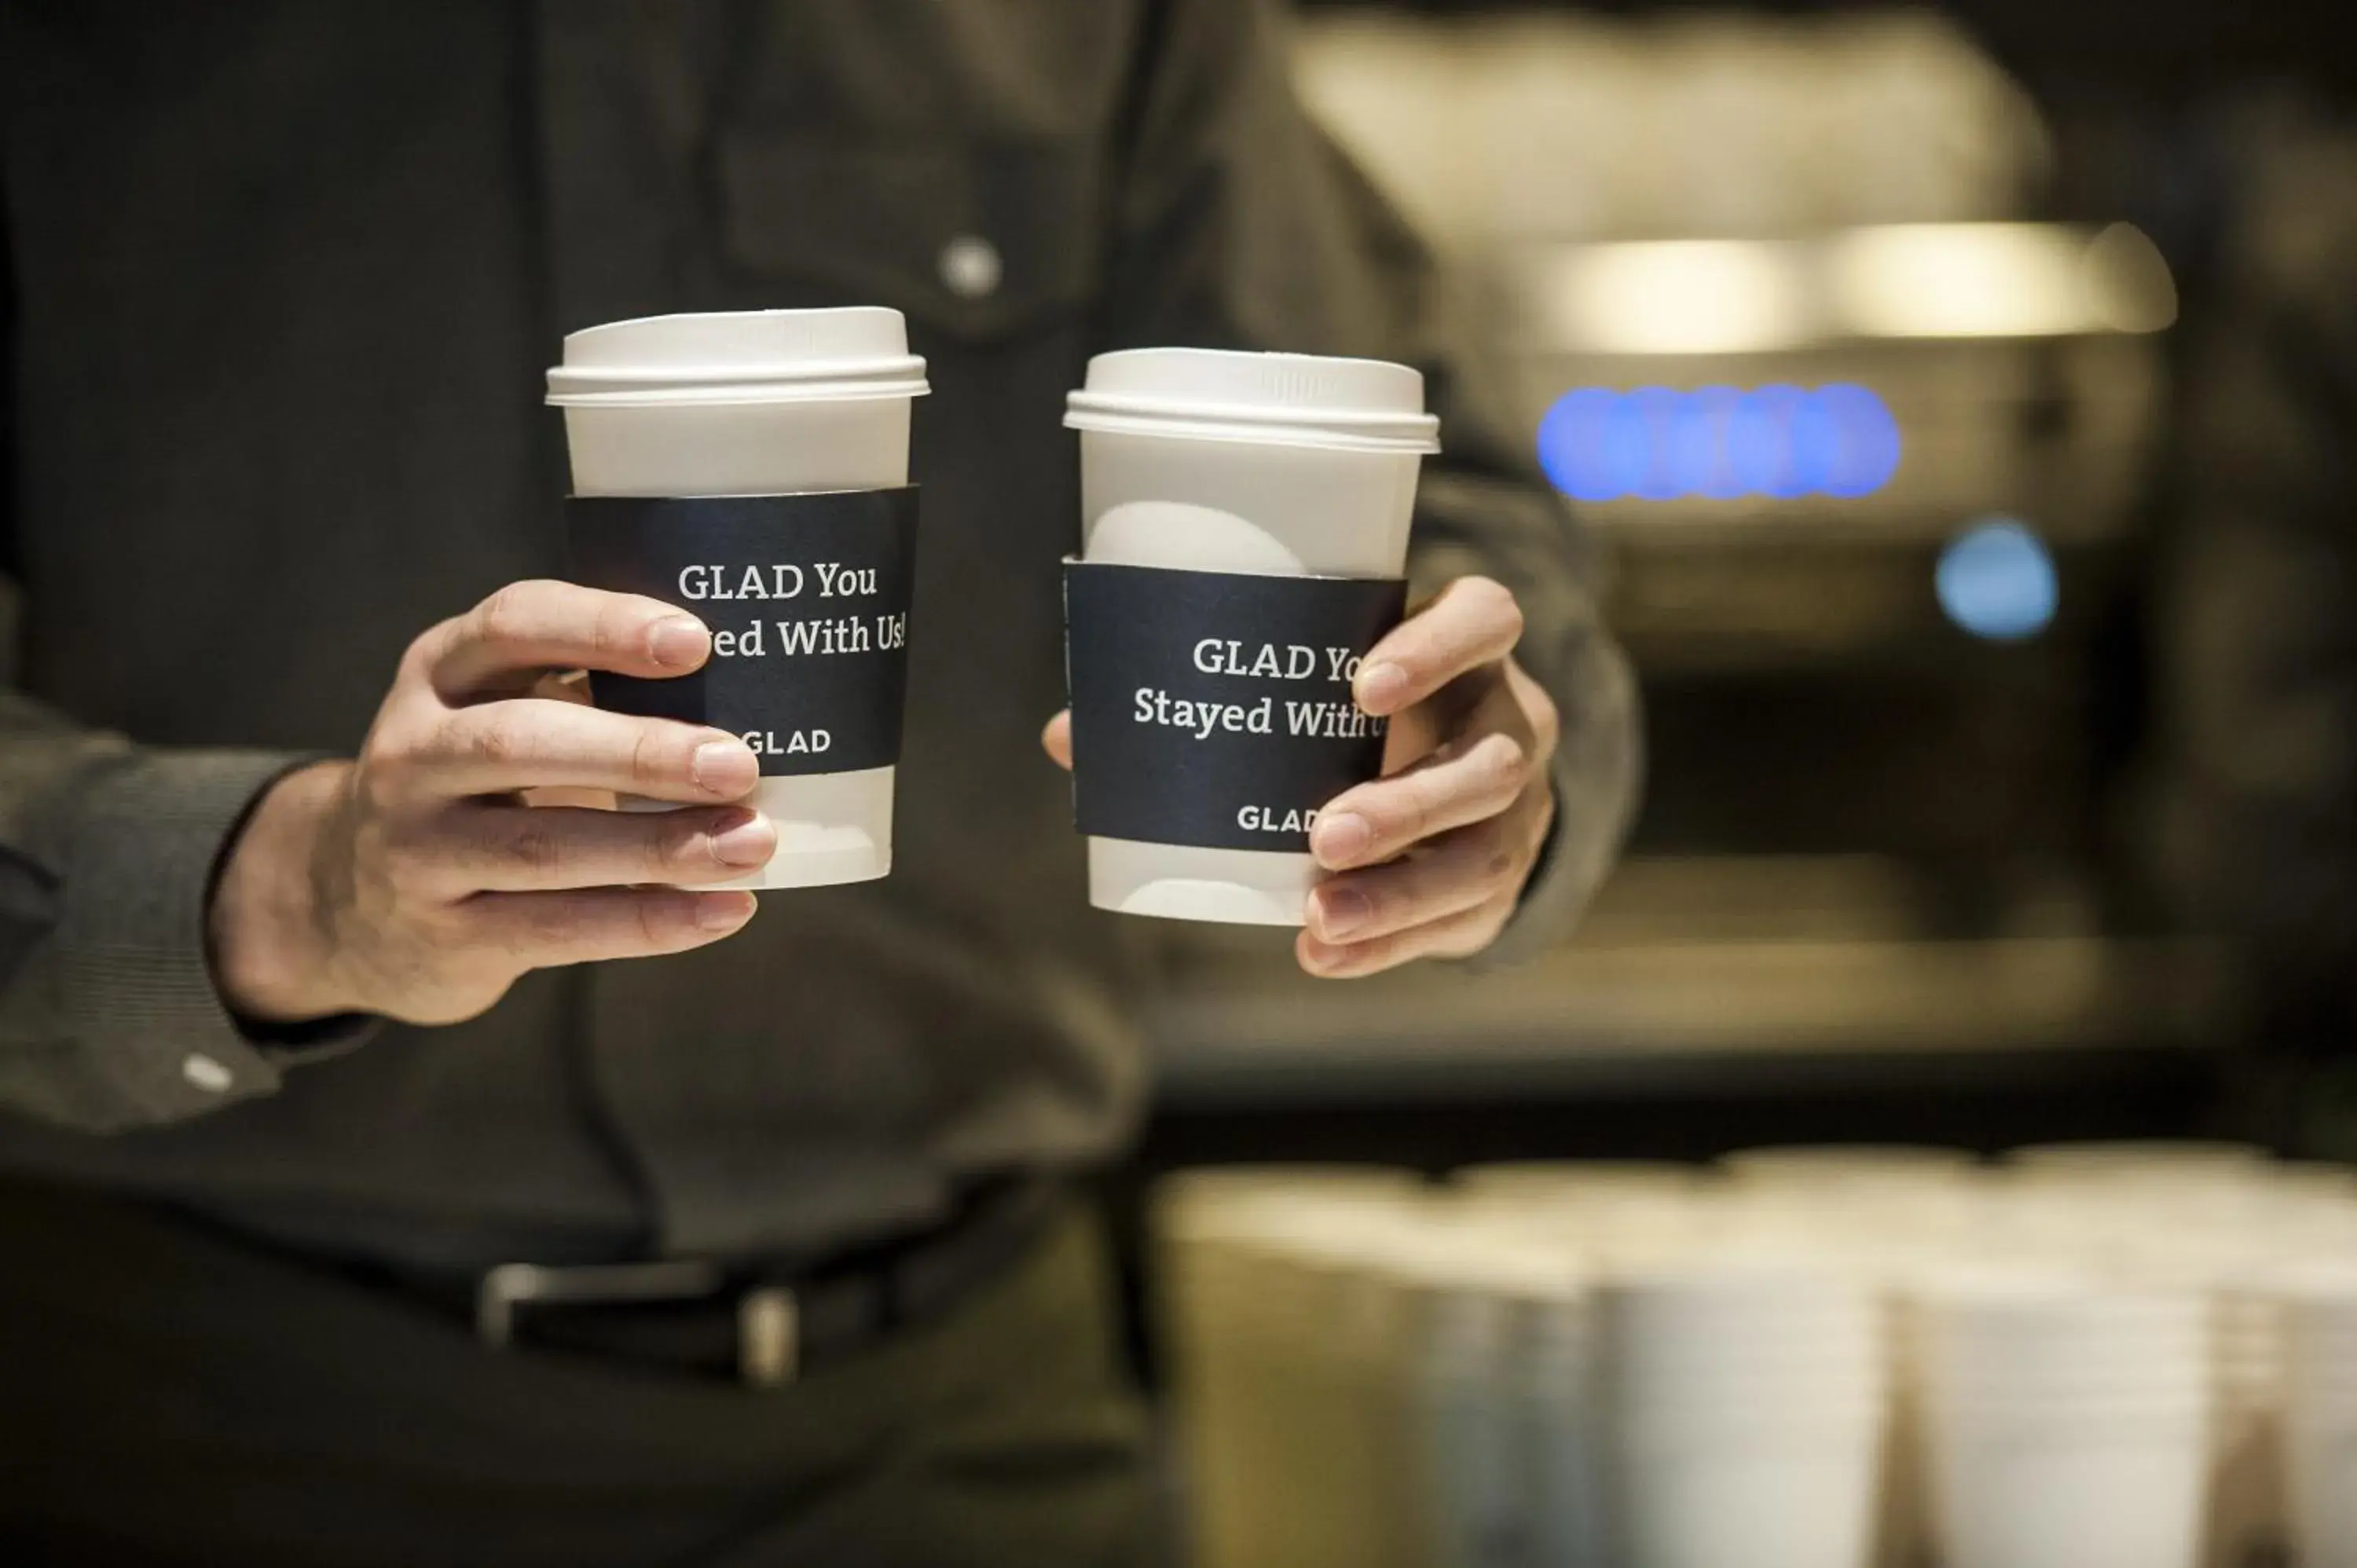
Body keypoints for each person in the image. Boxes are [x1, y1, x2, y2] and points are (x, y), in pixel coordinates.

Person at [0, 2, 1638, 1563]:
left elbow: (1437, 497)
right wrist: (295, 888)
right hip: (203, 1424)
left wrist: (1456, 739)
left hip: (958, 1432)